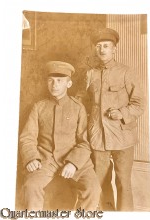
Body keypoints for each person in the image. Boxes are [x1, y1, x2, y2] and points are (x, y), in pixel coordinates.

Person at [77, 28, 144, 211]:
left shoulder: (126, 72)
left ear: (114, 48)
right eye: (98, 46)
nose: (102, 49)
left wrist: (122, 113)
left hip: (123, 136)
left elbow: (139, 104)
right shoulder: (89, 74)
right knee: (100, 182)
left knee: (123, 181)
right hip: (98, 136)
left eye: (106, 46)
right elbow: (81, 103)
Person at [19, 61, 101, 211]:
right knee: (31, 186)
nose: (54, 85)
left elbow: (84, 142)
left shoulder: (78, 108)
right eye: (50, 80)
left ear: (69, 84)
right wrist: (31, 158)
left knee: (93, 189)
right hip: (46, 159)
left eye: (59, 81)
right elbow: (27, 137)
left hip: (75, 158)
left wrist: (74, 163)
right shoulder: (39, 107)